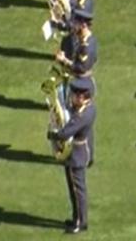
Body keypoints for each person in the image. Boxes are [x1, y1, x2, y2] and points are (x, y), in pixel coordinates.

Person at [49, 78, 96, 235]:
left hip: (76, 155)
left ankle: (79, 223)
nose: (72, 98)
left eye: (75, 95)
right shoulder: (89, 108)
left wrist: (53, 133)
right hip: (82, 151)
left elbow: (66, 133)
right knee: (77, 190)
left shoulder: (82, 115)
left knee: (77, 191)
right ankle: (78, 219)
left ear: (83, 97)